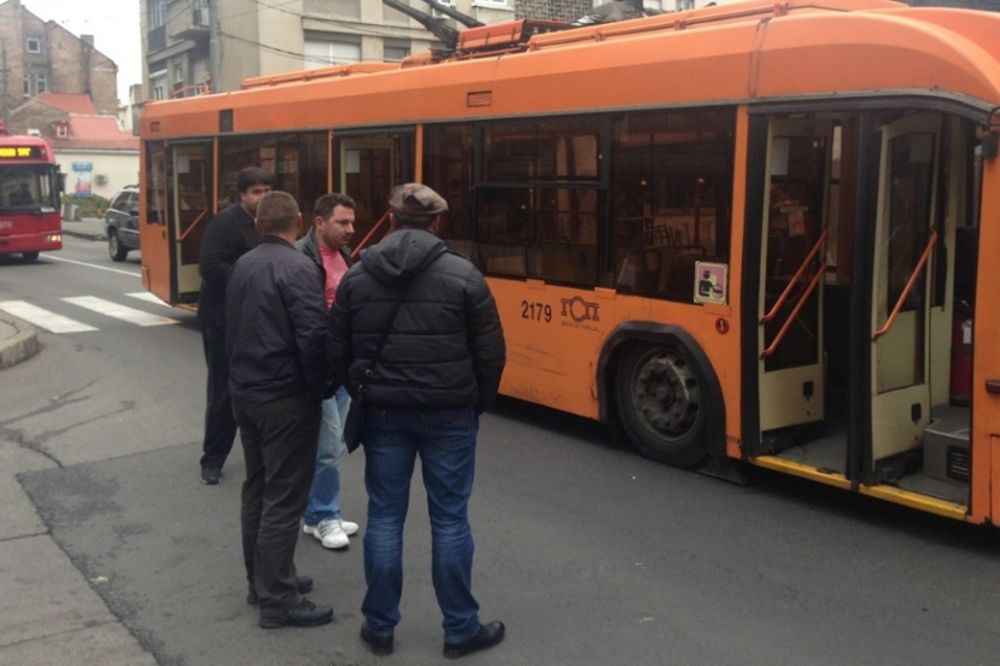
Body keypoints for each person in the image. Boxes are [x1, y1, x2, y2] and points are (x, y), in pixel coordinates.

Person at [328, 183, 507, 659]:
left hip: (385, 413)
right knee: (449, 518)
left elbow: (339, 348)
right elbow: (491, 354)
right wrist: (474, 404)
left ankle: (380, 627)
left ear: (389, 220)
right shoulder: (464, 275)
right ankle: (460, 629)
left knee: (384, 516)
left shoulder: (358, 275)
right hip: (449, 414)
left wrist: (363, 385)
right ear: (437, 222)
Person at [226, 191, 333, 629]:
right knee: (285, 497)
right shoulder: (299, 267)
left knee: (258, 488)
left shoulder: (243, 265)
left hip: (246, 394)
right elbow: (313, 335)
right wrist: (321, 386)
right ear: (300, 220)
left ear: (257, 225)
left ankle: (263, 580)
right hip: (284, 397)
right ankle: (278, 600)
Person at [196, 167, 271, 485]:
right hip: (222, 319)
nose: (262, 196)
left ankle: (263, 456)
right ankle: (212, 459)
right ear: (241, 195)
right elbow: (210, 267)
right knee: (224, 391)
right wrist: (251, 278)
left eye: (267, 190)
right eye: (256, 191)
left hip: (256, 319)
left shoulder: (267, 224)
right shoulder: (226, 223)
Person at [298, 193, 360, 549]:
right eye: (342, 222)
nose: (350, 229)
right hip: (318, 369)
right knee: (325, 447)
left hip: (341, 367)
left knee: (333, 444)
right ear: (319, 222)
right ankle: (324, 514)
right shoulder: (299, 258)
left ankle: (314, 514)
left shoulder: (344, 255)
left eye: (351, 222)